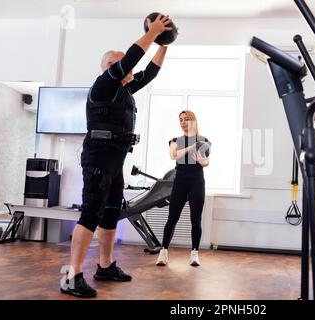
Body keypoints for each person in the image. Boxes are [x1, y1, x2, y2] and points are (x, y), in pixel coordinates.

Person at [61, 14, 173, 298]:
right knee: (91, 213)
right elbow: (134, 58)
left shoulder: (124, 90)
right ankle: (72, 276)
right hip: (99, 158)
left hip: (116, 160)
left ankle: (106, 266)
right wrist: (152, 32)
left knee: (111, 214)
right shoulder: (105, 84)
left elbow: (150, 72)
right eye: (120, 64)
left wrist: (165, 42)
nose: (128, 69)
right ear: (109, 66)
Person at [156, 110, 211, 267]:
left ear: (193, 120)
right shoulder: (175, 140)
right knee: (172, 219)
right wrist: (190, 147)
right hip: (180, 181)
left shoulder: (204, 141)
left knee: (196, 220)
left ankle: (194, 254)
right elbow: (173, 155)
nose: (183, 122)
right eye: (180, 119)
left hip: (197, 181)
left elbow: (207, 162)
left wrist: (202, 161)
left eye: (186, 119)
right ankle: (163, 253)